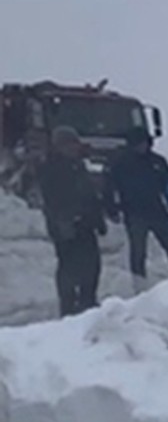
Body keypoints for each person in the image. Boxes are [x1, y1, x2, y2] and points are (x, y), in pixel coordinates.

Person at [37, 125, 107, 317]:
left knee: (92, 264)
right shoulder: (49, 167)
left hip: (86, 223)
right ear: (58, 146)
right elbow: (53, 199)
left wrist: (98, 219)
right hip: (65, 225)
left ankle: (88, 300)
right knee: (69, 266)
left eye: (74, 143)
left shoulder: (79, 165)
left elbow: (90, 195)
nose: (73, 147)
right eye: (68, 144)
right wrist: (65, 220)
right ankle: (68, 306)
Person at [103, 125, 168, 291]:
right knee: (138, 251)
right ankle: (139, 285)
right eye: (138, 143)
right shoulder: (120, 162)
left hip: (158, 211)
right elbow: (108, 187)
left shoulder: (158, 161)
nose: (141, 146)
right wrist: (111, 209)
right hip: (134, 212)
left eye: (144, 142)